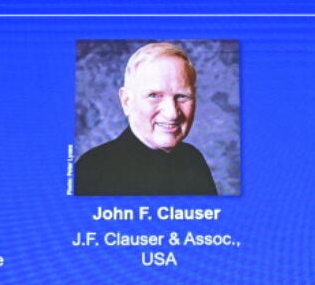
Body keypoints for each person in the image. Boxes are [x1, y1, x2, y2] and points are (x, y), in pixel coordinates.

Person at [75, 42, 218, 196]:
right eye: (154, 96)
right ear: (127, 102)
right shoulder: (93, 169)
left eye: (182, 96)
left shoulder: (192, 160)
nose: (172, 114)